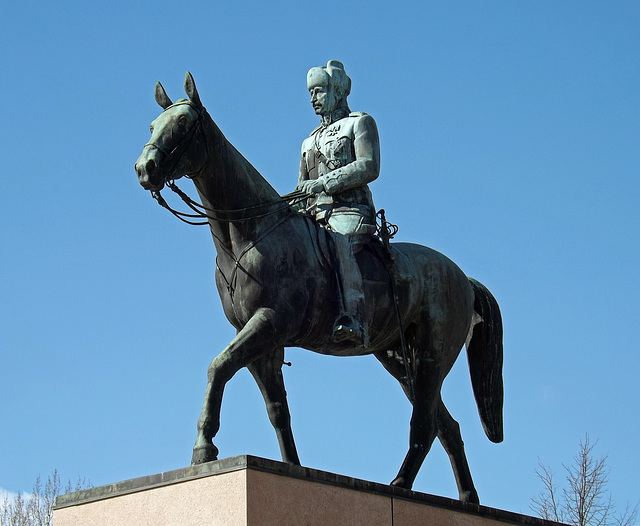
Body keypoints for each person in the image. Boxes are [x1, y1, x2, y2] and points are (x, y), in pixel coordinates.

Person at [295, 60, 380, 347]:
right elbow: (302, 188)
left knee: (339, 242)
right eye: (310, 93)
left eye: (318, 91)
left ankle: (354, 319)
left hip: (350, 211)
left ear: (338, 92)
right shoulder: (308, 141)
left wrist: (325, 183)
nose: (313, 99)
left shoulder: (359, 123)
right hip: (314, 214)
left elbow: (369, 166)